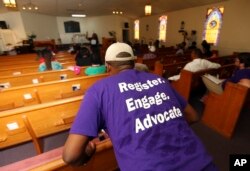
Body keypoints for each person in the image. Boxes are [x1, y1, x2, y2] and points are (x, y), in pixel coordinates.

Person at [63, 42, 218, 171]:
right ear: (134, 62)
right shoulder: (159, 80)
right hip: (201, 164)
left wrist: (89, 151)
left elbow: (71, 155)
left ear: (108, 66)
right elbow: (193, 115)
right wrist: (165, 125)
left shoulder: (99, 90)